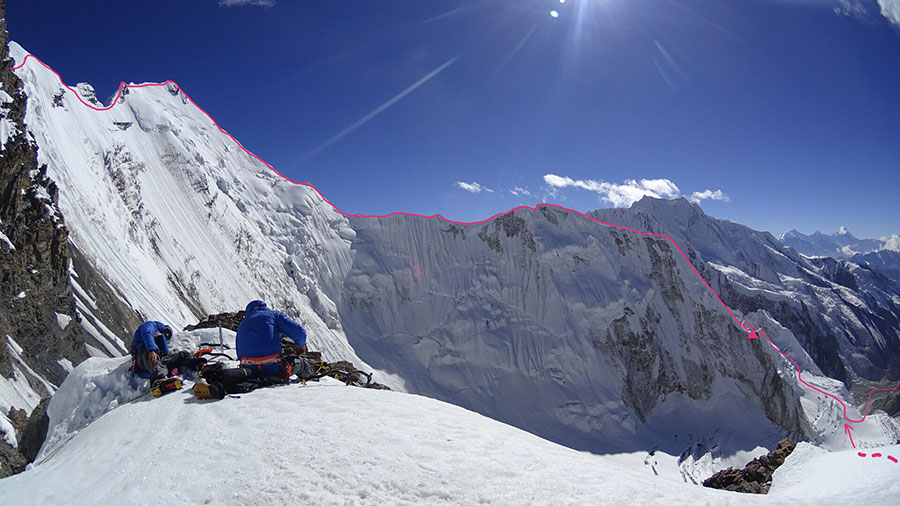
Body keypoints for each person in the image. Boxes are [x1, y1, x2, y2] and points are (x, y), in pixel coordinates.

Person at [193, 300, 311, 399]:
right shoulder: (273, 316)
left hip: (249, 370)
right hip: (273, 368)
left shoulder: (242, 325)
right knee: (299, 363)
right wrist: (300, 346)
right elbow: (299, 332)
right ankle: (312, 375)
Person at [130, 320, 203, 387]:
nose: (167, 335)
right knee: (156, 361)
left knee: (183, 355)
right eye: (167, 333)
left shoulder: (160, 336)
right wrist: (151, 350)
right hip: (141, 355)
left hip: (153, 359)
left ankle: (198, 365)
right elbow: (147, 333)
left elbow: (165, 356)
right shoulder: (150, 325)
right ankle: (158, 380)